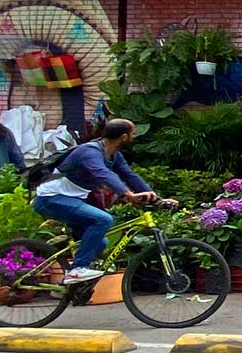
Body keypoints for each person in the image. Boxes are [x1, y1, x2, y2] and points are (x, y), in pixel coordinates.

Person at [30, 119, 174, 285]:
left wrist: (157, 199)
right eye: (132, 133)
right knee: (103, 219)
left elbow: (130, 175)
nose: (133, 136)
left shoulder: (113, 155)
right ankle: (77, 270)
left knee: (101, 243)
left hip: (71, 200)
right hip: (51, 199)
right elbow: (103, 174)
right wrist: (127, 194)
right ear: (123, 137)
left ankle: (78, 287)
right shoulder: (89, 152)